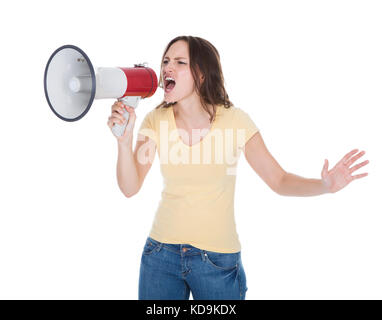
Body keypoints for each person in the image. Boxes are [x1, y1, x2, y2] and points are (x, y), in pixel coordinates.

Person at [106, 36, 369, 300]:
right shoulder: (155, 120)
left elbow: (279, 180)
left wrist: (325, 185)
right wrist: (124, 140)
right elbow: (130, 187)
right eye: (165, 61)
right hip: (160, 256)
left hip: (216, 263)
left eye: (179, 62)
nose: (167, 68)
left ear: (200, 75)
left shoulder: (235, 122)